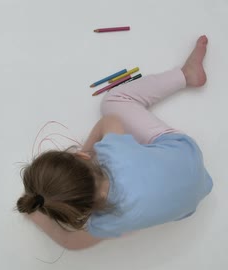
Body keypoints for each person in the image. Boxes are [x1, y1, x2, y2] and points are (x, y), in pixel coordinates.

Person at [16, 36, 213, 250]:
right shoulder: (115, 153)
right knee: (114, 100)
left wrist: (36, 216)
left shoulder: (104, 224)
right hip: (186, 154)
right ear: (81, 158)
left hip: (192, 200)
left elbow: (70, 243)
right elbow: (109, 121)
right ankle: (185, 75)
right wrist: (87, 149)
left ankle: (187, 75)